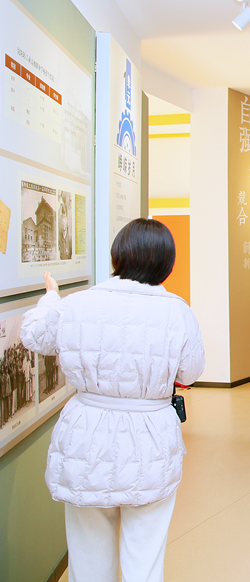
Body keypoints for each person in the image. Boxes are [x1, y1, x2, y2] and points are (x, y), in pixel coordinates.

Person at [20, 218, 205, 582]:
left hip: (87, 434)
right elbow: (191, 371)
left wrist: (51, 297)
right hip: (150, 438)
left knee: (87, 554)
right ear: (166, 263)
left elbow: (35, 335)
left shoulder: (78, 304)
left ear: (118, 255)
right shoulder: (177, 311)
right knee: (145, 556)